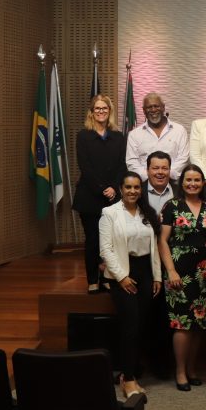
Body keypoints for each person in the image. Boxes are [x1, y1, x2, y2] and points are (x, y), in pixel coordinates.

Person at [156, 164, 206, 391]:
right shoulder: (171, 206)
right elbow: (162, 240)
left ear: (202, 183)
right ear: (182, 182)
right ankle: (180, 371)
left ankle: (192, 369)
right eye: (188, 180)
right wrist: (171, 271)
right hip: (179, 274)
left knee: (198, 323)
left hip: (205, 273)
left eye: (197, 180)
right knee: (182, 324)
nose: (193, 184)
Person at [98, 171, 161, 398]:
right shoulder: (109, 213)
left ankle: (129, 372)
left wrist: (157, 276)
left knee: (141, 325)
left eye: (136, 187)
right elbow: (106, 250)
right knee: (130, 326)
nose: (132, 191)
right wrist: (122, 277)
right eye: (128, 187)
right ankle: (129, 378)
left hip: (145, 272)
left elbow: (154, 247)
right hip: (123, 273)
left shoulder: (147, 213)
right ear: (121, 189)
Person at [73, 94, 126, 293]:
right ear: (92, 112)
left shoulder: (118, 137)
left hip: (113, 197)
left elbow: (122, 165)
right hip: (90, 197)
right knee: (93, 241)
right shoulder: (83, 136)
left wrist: (114, 187)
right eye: (97, 108)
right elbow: (85, 167)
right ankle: (93, 280)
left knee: (111, 241)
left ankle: (107, 278)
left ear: (109, 111)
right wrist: (102, 188)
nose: (101, 111)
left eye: (105, 108)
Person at [126, 93, 190, 181]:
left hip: (173, 183)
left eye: (156, 106)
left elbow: (184, 158)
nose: (153, 110)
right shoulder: (134, 134)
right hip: (145, 184)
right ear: (144, 110)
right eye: (149, 107)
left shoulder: (179, 130)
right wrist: (150, 177)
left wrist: (166, 175)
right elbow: (132, 162)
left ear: (163, 107)